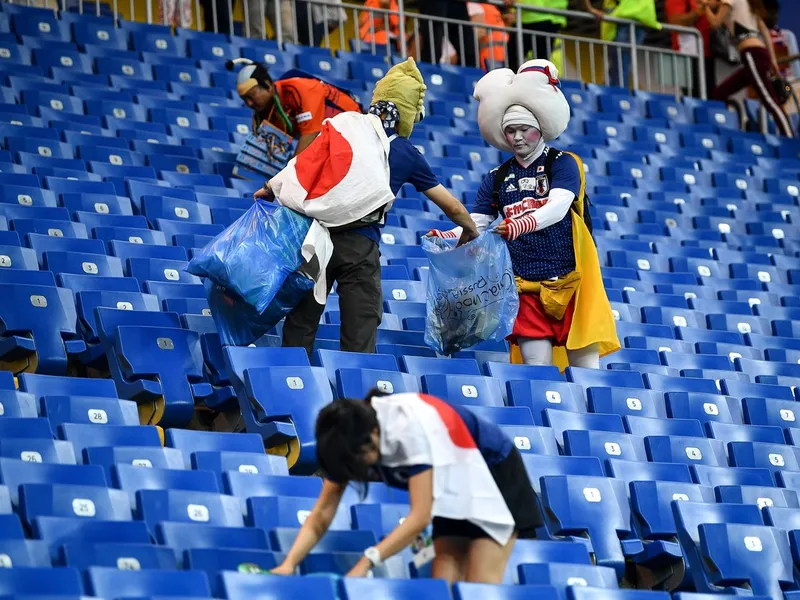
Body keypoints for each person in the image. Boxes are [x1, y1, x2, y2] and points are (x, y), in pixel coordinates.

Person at [257, 58, 479, 357]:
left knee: (302, 321)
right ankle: (356, 397)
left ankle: (290, 387)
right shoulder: (404, 150)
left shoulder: (344, 127)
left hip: (314, 238)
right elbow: (451, 207)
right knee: (360, 327)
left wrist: (271, 186)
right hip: (360, 248)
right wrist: (470, 228)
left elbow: (305, 163)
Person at [428, 60, 619, 369]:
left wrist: (522, 224)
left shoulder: (563, 163)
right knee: (536, 372)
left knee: (587, 373)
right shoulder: (497, 177)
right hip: (524, 287)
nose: (517, 137)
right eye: (510, 130)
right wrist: (448, 235)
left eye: (524, 130)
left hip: (571, 281)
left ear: (540, 129)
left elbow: (558, 207)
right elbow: (476, 222)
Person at [266, 390, 542, 582]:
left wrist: (367, 563)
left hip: (490, 468)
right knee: (443, 574)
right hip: (449, 472)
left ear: (375, 434)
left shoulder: (410, 430)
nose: (360, 472)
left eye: (361, 461)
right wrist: (289, 563)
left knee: (479, 585)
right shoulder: (342, 443)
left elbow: (420, 517)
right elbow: (322, 514)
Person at [227, 58, 363, 155]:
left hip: (355, 133)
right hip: (328, 143)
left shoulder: (300, 89)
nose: (249, 103)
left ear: (268, 86)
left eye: (252, 95)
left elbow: (310, 135)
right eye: (245, 99)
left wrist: (286, 175)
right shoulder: (263, 114)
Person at [704, 0, 795, 136]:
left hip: (752, 54)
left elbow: (715, 23)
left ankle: (790, 136)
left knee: (769, 100)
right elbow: (764, 32)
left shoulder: (730, 2)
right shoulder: (749, 5)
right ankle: (725, 129)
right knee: (718, 93)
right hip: (757, 54)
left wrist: (705, 6)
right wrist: (773, 61)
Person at [583, 0, 661, 89]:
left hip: (630, 17)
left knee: (621, 58)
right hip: (637, 16)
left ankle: (618, 92)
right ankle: (617, 91)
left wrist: (590, 8)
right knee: (622, 59)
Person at [665, 0, 718, 97]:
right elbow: (676, 24)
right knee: (694, 98)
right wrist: (699, 10)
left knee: (710, 97)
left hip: (707, 55)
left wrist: (716, 5)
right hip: (686, 56)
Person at [505, 0, 567, 72]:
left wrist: (513, 9)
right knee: (540, 63)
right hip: (552, 18)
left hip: (531, 17)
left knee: (513, 61)